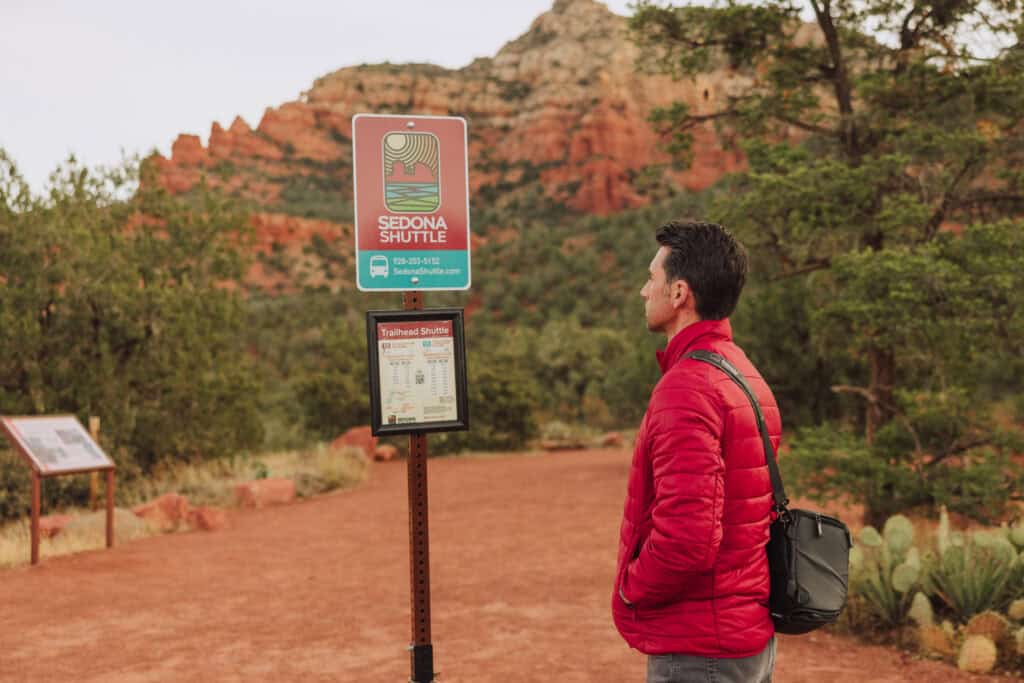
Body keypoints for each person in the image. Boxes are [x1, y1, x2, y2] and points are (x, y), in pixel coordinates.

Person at [612, 221, 781, 683]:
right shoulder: (744, 374)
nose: (644, 290)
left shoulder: (687, 388)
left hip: (698, 648)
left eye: (652, 278)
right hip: (744, 634)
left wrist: (631, 589)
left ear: (680, 292)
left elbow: (687, 540)